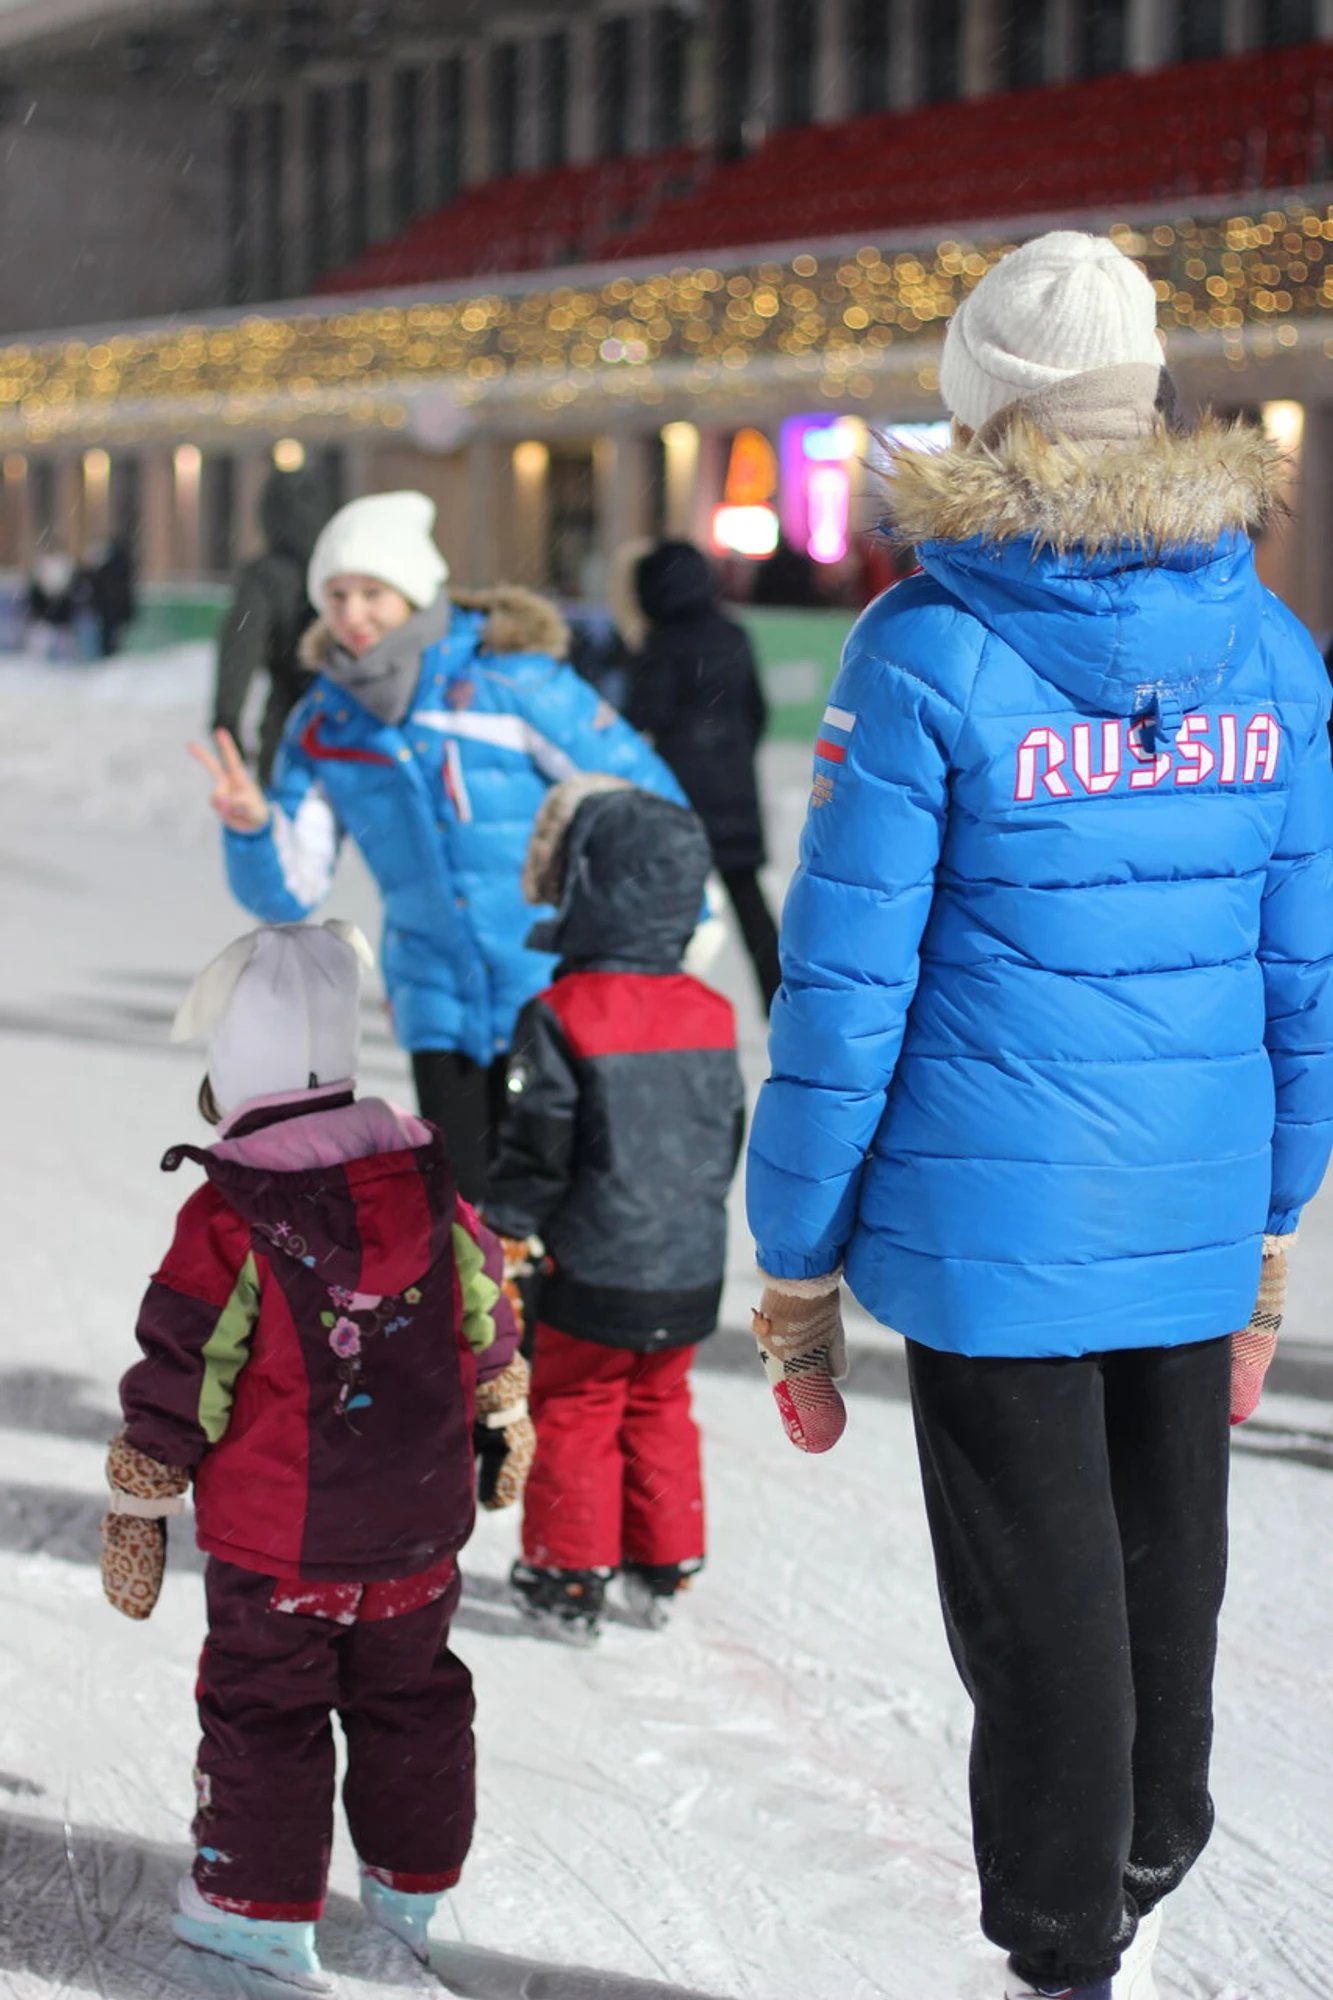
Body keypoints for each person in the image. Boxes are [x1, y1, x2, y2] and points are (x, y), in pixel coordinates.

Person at [744, 231, 1333, 2000]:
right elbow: (1298, 965)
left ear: (983, 418)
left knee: (1041, 1610)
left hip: (991, 1230)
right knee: (1165, 1576)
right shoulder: (1274, 648)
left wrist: (793, 1264)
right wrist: (1272, 1212)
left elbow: (841, 991)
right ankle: (1145, 1846)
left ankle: (1065, 1935)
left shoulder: (920, 649)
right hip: (1187, 1192)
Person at [99, 920, 533, 1994]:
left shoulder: (230, 1216)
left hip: (281, 1541)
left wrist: (139, 1497)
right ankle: (413, 1877)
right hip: (421, 1521)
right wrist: (503, 1408)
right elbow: (488, 1307)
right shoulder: (429, 1183)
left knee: (266, 1706)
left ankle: (254, 1908)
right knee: (414, 1693)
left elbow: (182, 1363)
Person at [193, 489, 684, 1204]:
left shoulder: (510, 680)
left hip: (547, 981)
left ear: (414, 589)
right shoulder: (324, 723)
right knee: (466, 1209)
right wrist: (249, 827)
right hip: (434, 996)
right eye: (335, 595)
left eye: (371, 592)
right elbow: (287, 892)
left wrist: (681, 920)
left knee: (561, 1196)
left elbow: (644, 802)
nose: (352, 614)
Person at [483, 776, 745, 1642]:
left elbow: (538, 1141)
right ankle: (662, 1559)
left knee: (578, 1405)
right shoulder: (710, 1013)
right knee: (659, 1402)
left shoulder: (560, 1015)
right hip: (687, 1266)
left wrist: (508, 1222)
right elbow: (721, 1134)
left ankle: (568, 1571)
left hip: (596, 1268)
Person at [626, 540, 781, 1012]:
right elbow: (757, 711)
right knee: (750, 907)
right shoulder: (733, 634)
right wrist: (730, 757)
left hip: (681, 795)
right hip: (733, 790)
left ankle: (659, 1008)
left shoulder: (663, 643)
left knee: (669, 909)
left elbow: (644, 714)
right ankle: (779, 1004)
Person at [211, 461, 335, 784]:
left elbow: (240, 647)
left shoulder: (264, 578)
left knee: (284, 821)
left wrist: (227, 717)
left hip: (289, 722)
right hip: (350, 722)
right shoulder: (345, 575)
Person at [82, 536, 137, 657]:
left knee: (109, 635)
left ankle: (110, 656)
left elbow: (96, 581)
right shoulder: (123, 566)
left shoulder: (109, 568)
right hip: (114, 608)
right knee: (113, 635)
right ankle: (111, 655)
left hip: (109, 608)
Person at [24, 543, 78, 660]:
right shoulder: (42, 567)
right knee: (41, 641)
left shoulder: (64, 565)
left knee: (63, 643)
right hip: (45, 613)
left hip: (59, 613)